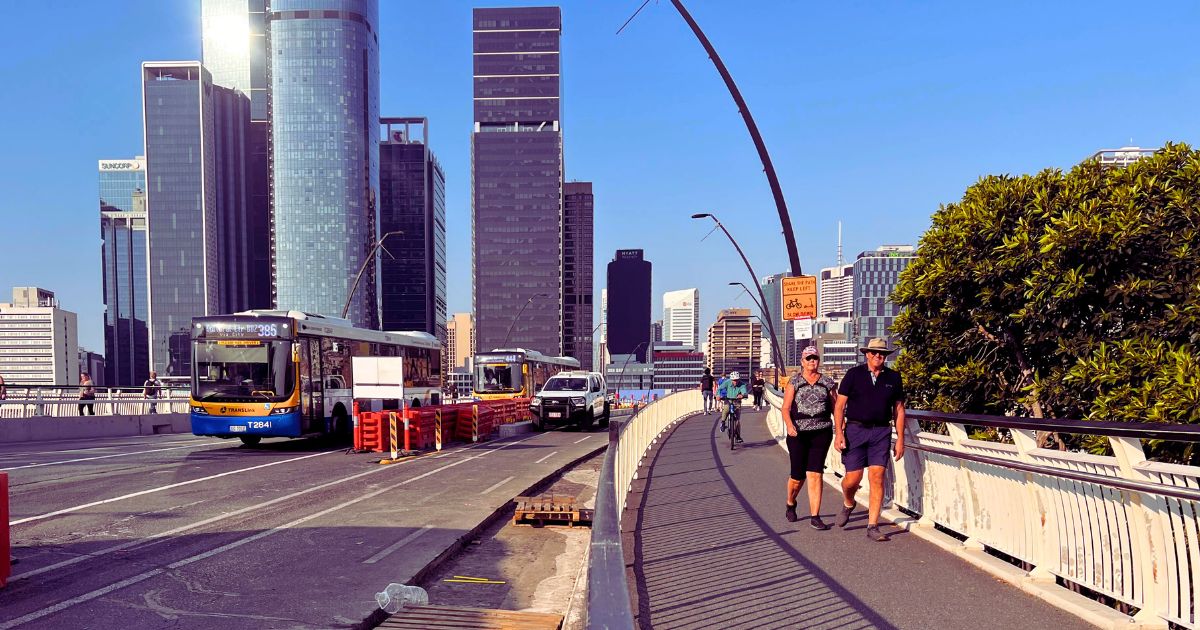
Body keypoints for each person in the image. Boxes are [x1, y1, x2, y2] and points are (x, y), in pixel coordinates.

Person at [833, 338, 906, 542]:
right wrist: (839, 433)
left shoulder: (894, 377)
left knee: (877, 476)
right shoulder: (853, 375)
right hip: (855, 430)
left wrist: (900, 439)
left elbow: (899, 410)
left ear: (886, 356)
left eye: (881, 353)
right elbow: (839, 406)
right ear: (867, 354)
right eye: (873, 353)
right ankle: (849, 502)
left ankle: (872, 525)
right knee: (852, 480)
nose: (877, 356)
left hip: (881, 432)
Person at [781, 346, 836, 530]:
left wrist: (841, 429)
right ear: (802, 362)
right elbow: (786, 408)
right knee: (798, 476)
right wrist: (789, 426)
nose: (813, 361)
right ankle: (790, 501)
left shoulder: (827, 382)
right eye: (809, 358)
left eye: (815, 358)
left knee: (815, 473)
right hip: (798, 433)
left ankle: (815, 516)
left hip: (822, 432)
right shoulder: (795, 381)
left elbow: (836, 408)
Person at [721, 372, 749, 444]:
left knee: (738, 421)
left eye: (736, 380)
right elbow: (719, 388)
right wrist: (718, 395)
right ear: (731, 380)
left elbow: (744, 392)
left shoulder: (742, 384)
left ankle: (738, 436)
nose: (735, 382)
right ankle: (723, 423)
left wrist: (742, 395)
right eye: (733, 380)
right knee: (726, 409)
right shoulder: (727, 382)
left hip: (737, 402)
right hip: (728, 400)